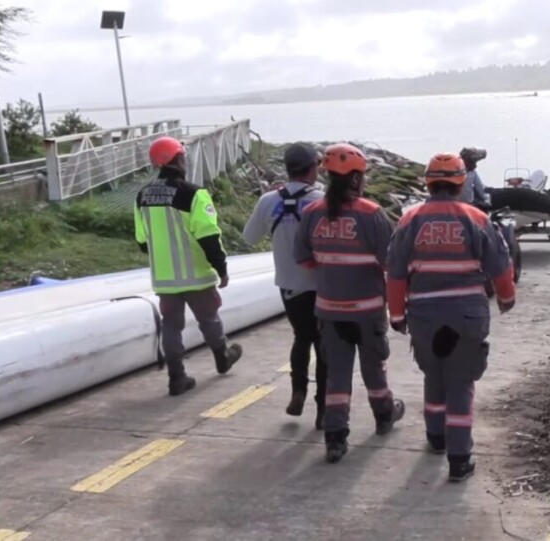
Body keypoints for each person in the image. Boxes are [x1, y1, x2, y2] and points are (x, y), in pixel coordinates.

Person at [386, 151, 516, 482]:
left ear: (428, 183)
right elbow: (501, 265)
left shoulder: (409, 220)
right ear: (461, 183)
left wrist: (397, 314)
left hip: (424, 316)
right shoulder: (476, 219)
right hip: (467, 314)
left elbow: (396, 273)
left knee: (434, 374)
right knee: (460, 383)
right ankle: (459, 459)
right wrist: (506, 298)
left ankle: (436, 438)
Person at [294, 142, 405, 463]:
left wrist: (333, 273)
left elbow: (303, 259)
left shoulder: (312, 214)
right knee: (374, 369)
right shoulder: (371, 214)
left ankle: (335, 437)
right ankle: (384, 415)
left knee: (337, 374)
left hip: (329, 309)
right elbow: (392, 263)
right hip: (367, 310)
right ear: (357, 179)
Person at [134, 136, 243, 396]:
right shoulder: (194, 194)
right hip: (196, 275)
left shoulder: (142, 196)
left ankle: (176, 377)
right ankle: (222, 356)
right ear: (179, 160)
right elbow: (208, 236)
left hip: (164, 279)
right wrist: (221, 268)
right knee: (209, 317)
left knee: (171, 326)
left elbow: (142, 241)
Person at [242, 143, 328, 429]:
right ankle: (323, 407)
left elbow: (249, 238)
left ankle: (298, 391)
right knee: (324, 343)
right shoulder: (324, 199)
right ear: (313, 168)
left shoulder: (269, 200)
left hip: (289, 285)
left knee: (301, 338)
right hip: (321, 285)